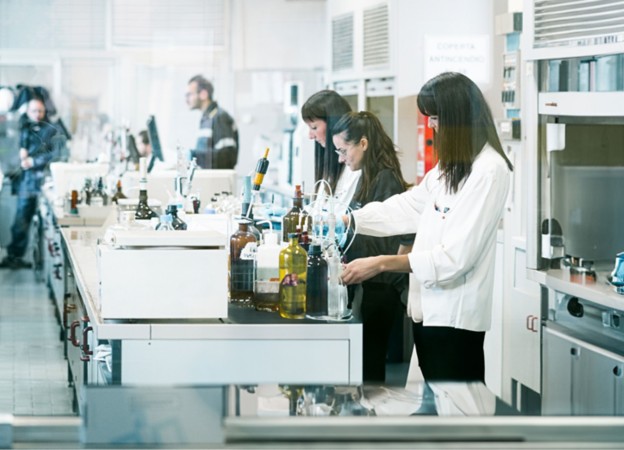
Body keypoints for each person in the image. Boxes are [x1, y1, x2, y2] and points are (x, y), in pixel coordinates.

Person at [340, 72, 513, 383]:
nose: (432, 126)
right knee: (433, 414)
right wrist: (350, 219)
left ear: (457, 117)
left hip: (455, 320)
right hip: (427, 313)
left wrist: (381, 263)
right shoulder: (451, 167)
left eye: (435, 117)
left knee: (456, 417)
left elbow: (454, 259)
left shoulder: (489, 172)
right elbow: (407, 207)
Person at [331, 111, 413, 382]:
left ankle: (370, 421)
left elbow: (405, 231)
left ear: (363, 144)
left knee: (370, 368)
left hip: (380, 286)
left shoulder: (385, 179)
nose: (341, 158)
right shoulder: (368, 176)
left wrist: (393, 273)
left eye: (344, 150)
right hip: (369, 281)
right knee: (363, 363)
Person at [1, 96, 61, 269]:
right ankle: (15, 255)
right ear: (28, 111)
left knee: (36, 221)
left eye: (41, 111)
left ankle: (33, 257)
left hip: (42, 181)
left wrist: (33, 162)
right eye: (34, 110)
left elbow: (52, 153)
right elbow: (11, 151)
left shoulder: (48, 130)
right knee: (22, 218)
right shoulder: (21, 128)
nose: (38, 114)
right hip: (26, 183)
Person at [301, 90, 360, 210]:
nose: (310, 136)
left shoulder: (355, 167)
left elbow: (342, 217)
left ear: (333, 124)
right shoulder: (331, 166)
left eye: (314, 127)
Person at [186, 75, 238, 169]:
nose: (187, 99)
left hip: (218, 182)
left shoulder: (219, 117)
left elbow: (227, 157)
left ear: (203, 94)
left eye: (190, 94)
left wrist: (193, 155)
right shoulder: (206, 119)